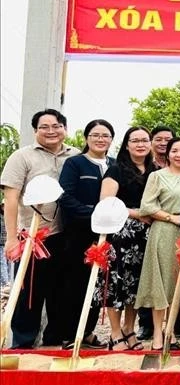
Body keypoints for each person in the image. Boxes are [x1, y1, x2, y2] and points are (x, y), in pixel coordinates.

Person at [1, 109, 79, 348]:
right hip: (34, 237)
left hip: (66, 235)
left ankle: (54, 342)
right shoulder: (22, 156)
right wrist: (12, 238)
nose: (51, 131)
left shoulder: (75, 155)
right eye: (44, 127)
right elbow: (11, 199)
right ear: (35, 131)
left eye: (56, 126)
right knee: (30, 294)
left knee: (61, 292)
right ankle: (23, 344)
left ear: (64, 128)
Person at [135, 137, 180, 351]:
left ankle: (170, 330)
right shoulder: (157, 176)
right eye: (175, 151)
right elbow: (147, 206)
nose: (179, 155)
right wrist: (171, 218)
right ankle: (157, 334)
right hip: (164, 230)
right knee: (160, 283)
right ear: (168, 154)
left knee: (178, 283)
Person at [94, 126, 155, 351]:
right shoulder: (116, 170)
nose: (140, 144)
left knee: (135, 286)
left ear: (150, 144)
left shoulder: (155, 171)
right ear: (126, 144)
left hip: (145, 236)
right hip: (120, 234)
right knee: (115, 284)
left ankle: (130, 329)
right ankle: (115, 332)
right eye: (135, 140)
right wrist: (138, 213)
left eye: (144, 140)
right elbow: (106, 201)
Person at [59, 119, 116, 350]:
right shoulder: (75, 164)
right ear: (86, 138)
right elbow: (65, 197)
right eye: (95, 135)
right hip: (79, 233)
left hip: (107, 234)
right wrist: (94, 213)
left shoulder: (114, 165)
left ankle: (88, 332)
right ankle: (70, 334)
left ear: (112, 139)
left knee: (98, 286)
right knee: (75, 283)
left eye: (106, 135)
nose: (100, 139)